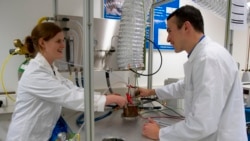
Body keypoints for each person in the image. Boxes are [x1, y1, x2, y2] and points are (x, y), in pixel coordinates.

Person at [138, 5, 247, 141]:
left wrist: (160, 134)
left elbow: (202, 124)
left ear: (186, 27)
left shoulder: (209, 58)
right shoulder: (201, 56)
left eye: (169, 31)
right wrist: (152, 92)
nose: (168, 39)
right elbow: (185, 86)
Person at [6, 22, 127, 141]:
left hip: (40, 135)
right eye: (58, 41)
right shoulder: (35, 74)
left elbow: (72, 89)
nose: (63, 45)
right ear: (42, 43)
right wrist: (110, 99)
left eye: (63, 40)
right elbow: (69, 97)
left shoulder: (50, 69)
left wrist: (106, 97)